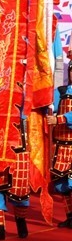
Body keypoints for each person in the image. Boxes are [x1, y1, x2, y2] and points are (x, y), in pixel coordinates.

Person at [49, 63, 72, 228]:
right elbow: (49, 106)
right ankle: (70, 215)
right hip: (60, 144)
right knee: (60, 180)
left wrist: (60, 119)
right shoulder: (61, 91)